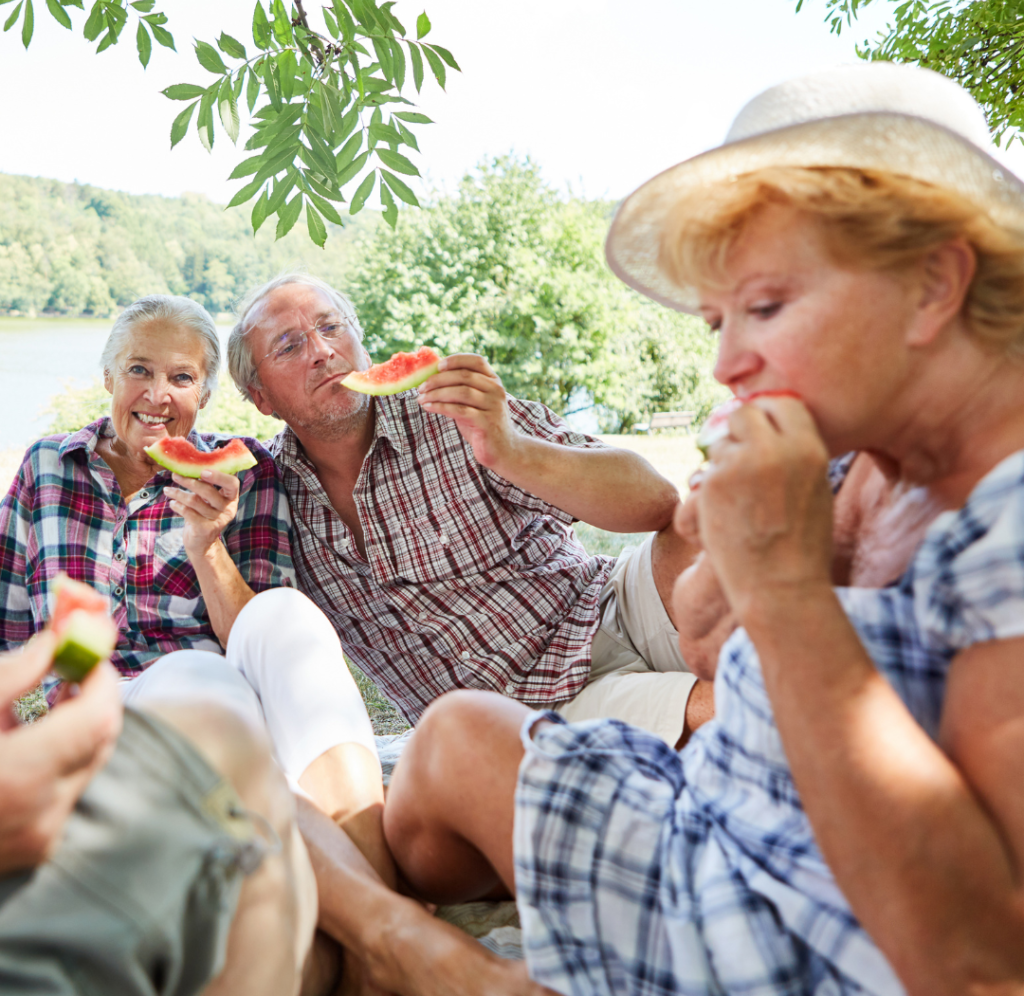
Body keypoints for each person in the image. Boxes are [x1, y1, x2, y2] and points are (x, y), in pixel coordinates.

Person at [380, 62, 1024, 996]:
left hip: (763, 940)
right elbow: (763, 673)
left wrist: (784, 594)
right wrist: (735, 616)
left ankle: (408, 950)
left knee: (295, 836)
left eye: (764, 306)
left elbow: (981, 963)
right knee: (446, 736)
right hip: (727, 824)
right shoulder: (855, 461)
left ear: (934, 283)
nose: (724, 364)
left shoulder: (1007, 519)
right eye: (717, 320)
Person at [0, 294, 390, 890]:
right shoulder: (48, 468)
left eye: (182, 377)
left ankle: (373, 875)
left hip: (225, 698)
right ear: (108, 375)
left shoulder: (247, 474)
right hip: (101, 719)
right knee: (195, 683)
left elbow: (259, 643)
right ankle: (384, 909)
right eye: (139, 370)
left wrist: (207, 542)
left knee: (279, 616)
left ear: (204, 394)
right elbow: (7, 634)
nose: (159, 396)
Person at [226, 273, 713, 749]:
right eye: (289, 346)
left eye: (331, 327)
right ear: (261, 398)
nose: (322, 351)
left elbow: (657, 503)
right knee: (725, 709)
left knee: (705, 532)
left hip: (605, 607)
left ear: (360, 338)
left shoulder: (451, 409)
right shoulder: (265, 497)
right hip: (520, 714)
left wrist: (511, 450)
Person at [0, 630, 317, 995]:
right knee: (226, 743)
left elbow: (239, 625)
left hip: (184, 684)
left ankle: (373, 932)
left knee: (218, 688)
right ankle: (374, 934)